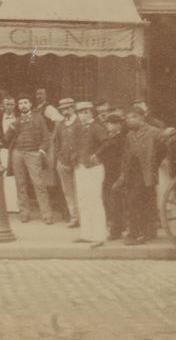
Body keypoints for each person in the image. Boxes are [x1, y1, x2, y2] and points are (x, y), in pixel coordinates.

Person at [114, 106, 163, 245]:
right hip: (132, 173)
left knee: (136, 202)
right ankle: (148, 233)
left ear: (141, 118)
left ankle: (135, 234)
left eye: (133, 117)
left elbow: (164, 148)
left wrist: (154, 164)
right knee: (142, 202)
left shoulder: (154, 132)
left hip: (146, 172)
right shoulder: (130, 135)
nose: (129, 120)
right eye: (128, 118)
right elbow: (126, 155)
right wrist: (124, 174)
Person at [3, 95, 53, 224]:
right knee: (20, 184)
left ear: (30, 104)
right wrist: (11, 128)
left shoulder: (39, 118)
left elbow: (46, 138)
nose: (23, 105)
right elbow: (7, 139)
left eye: (25, 102)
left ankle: (46, 214)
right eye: (20, 103)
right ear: (18, 107)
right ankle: (24, 213)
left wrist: (41, 151)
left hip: (33, 153)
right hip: (17, 153)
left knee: (38, 183)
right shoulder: (16, 120)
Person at [72, 102, 109, 247]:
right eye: (80, 112)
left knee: (95, 200)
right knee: (83, 200)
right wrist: (74, 158)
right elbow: (74, 145)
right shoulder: (79, 128)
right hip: (80, 167)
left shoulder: (96, 127)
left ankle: (99, 236)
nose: (83, 115)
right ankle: (86, 234)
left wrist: (97, 154)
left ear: (91, 113)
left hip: (94, 168)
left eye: (86, 112)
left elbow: (107, 143)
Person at [52, 97, 79, 228]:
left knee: (80, 190)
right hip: (63, 162)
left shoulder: (79, 122)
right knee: (68, 192)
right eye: (63, 109)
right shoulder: (61, 124)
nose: (65, 111)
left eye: (68, 108)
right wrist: (59, 157)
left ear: (73, 108)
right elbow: (56, 141)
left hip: (78, 163)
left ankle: (83, 217)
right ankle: (74, 217)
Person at [100, 113, 127, 240]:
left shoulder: (121, 138)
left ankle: (116, 231)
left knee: (115, 202)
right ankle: (119, 227)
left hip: (116, 173)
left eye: (110, 123)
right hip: (109, 172)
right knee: (113, 202)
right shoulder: (113, 137)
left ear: (118, 125)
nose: (107, 126)